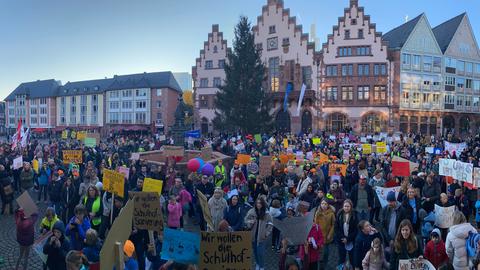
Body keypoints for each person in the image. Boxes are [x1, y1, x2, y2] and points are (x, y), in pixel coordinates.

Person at [244, 196, 273, 270]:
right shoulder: (251, 211)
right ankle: (257, 263)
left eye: (260, 203)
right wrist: (250, 222)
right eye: (257, 203)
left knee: (261, 253)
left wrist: (266, 233)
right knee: (255, 252)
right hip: (253, 236)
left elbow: (270, 224)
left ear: (262, 204)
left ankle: (262, 266)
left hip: (261, 237)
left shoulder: (267, 213)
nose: (258, 204)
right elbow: (246, 220)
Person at [335, 199, 358, 269]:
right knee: (341, 258)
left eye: (348, 206)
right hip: (341, 240)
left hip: (351, 240)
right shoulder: (339, 214)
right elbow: (336, 228)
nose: (346, 208)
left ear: (351, 207)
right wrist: (343, 238)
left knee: (352, 258)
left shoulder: (355, 215)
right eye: (345, 206)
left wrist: (348, 239)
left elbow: (356, 230)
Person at [314, 199, 335, 268]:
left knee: (326, 253)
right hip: (319, 236)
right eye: (322, 203)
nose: (323, 205)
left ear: (328, 205)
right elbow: (315, 224)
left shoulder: (331, 213)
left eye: (325, 204)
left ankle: (324, 265)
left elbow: (333, 225)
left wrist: (330, 234)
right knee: (319, 253)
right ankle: (320, 265)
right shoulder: (318, 213)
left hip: (327, 236)